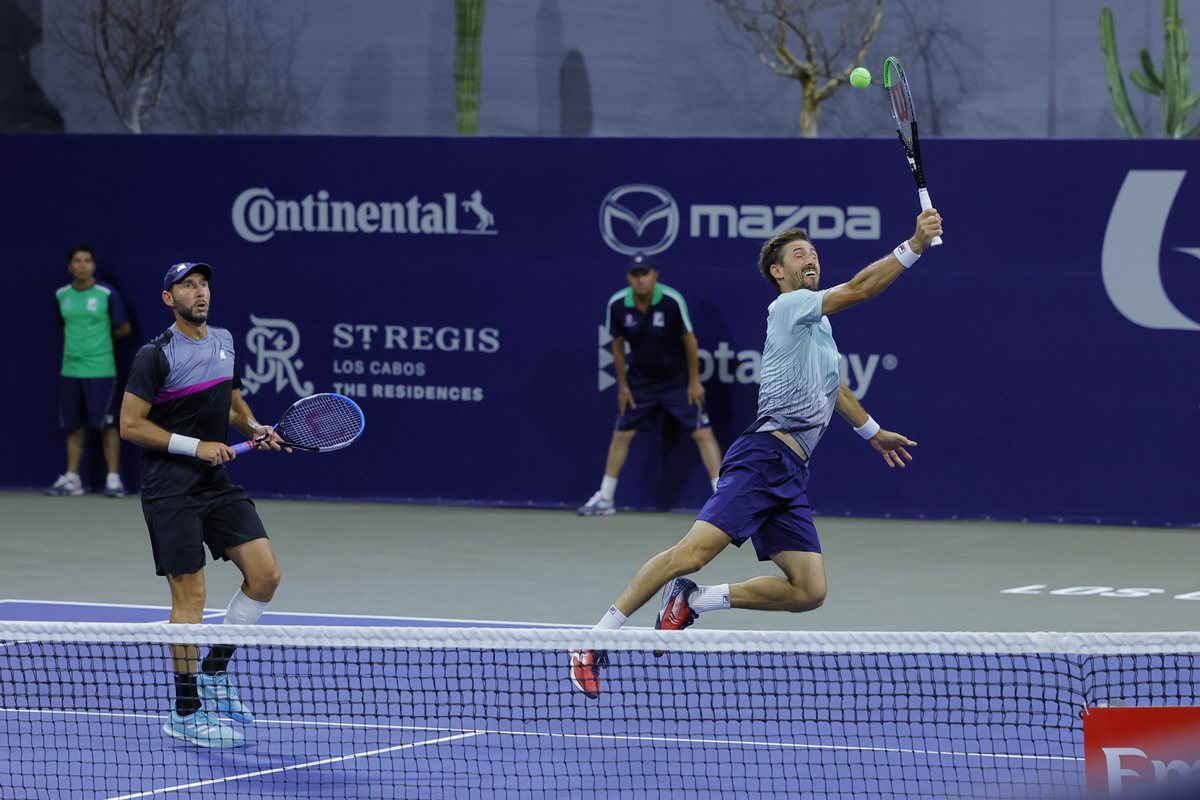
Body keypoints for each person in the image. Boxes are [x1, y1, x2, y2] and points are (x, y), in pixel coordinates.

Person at [569, 208, 944, 699]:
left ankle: (693, 602)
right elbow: (861, 289)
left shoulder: (817, 328)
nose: (811, 258)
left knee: (809, 590)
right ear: (778, 272)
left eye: (813, 252)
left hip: (791, 470)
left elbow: (833, 386)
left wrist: (872, 432)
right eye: (799, 255)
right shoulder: (791, 306)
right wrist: (914, 245)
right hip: (763, 455)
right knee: (691, 553)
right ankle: (593, 641)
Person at [119, 261, 287, 748]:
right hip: (170, 488)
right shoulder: (155, 355)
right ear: (168, 298)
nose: (200, 291)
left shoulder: (226, 342)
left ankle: (214, 671)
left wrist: (254, 428)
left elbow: (233, 405)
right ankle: (186, 711)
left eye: (204, 284)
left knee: (265, 575)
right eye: (188, 285)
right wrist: (196, 446)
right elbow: (130, 425)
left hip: (214, 483)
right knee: (191, 597)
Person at [577, 254, 723, 516]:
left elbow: (690, 341)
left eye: (644, 274)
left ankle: (723, 498)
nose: (640, 280)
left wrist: (694, 382)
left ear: (654, 276)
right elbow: (617, 347)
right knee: (621, 435)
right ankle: (605, 498)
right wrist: (623, 387)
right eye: (635, 275)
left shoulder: (671, 301)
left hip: (677, 381)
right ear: (628, 278)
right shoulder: (618, 304)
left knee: (703, 433)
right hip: (640, 382)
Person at [47, 245, 132, 497]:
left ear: (93, 265)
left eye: (87, 260)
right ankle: (73, 479)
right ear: (70, 266)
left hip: (101, 369)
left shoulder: (107, 294)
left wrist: (97, 344)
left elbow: (124, 328)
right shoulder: (62, 295)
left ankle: (113, 479)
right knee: (73, 425)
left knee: (107, 425)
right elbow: (63, 325)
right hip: (71, 369)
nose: (83, 265)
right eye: (77, 261)